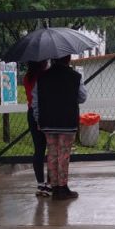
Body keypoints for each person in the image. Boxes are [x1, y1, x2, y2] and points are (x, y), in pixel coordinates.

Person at [32, 55, 87, 200]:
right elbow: (82, 97)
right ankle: (63, 188)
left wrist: (38, 118)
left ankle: (55, 187)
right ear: (68, 58)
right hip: (67, 122)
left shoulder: (42, 77)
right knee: (64, 154)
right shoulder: (75, 76)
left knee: (52, 154)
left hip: (48, 122)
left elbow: (35, 100)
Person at [23, 60, 50, 196]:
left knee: (38, 149)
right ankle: (50, 183)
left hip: (31, 113)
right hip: (46, 112)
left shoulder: (27, 77)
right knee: (52, 148)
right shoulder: (45, 76)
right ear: (42, 63)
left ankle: (40, 183)